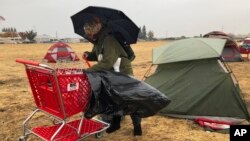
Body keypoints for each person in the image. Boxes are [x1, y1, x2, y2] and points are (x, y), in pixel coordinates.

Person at [82, 16, 142, 136]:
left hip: (123, 74)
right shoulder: (99, 40)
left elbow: (107, 62)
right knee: (113, 99)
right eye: (87, 33)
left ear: (96, 29)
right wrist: (89, 55)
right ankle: (116, 123)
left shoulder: (109, 39)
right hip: (112, 74)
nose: (88, 35)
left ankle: (137, 127)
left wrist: (88, 71)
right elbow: (98, 55)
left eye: (89, 32)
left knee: (131, 101)